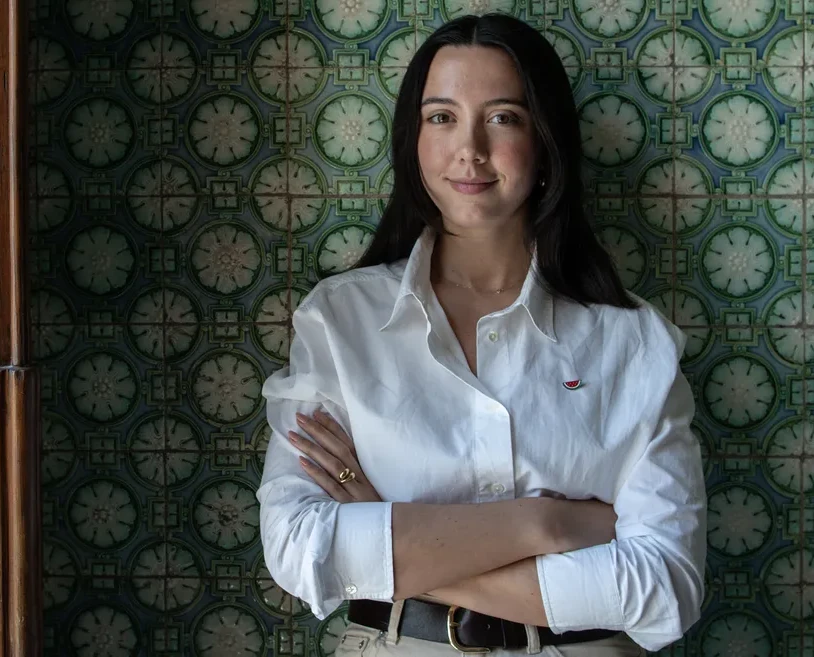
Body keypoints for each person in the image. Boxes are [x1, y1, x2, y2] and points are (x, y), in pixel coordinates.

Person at [255, 13, 706, 657]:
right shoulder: (340, 320)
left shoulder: (634, 342)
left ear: (545, 140)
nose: (469, 148)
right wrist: (546, 524)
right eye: (441, 117)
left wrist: (389, 536)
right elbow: (300, 548)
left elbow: (665, 590)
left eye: (503, 118)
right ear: (413, 140)